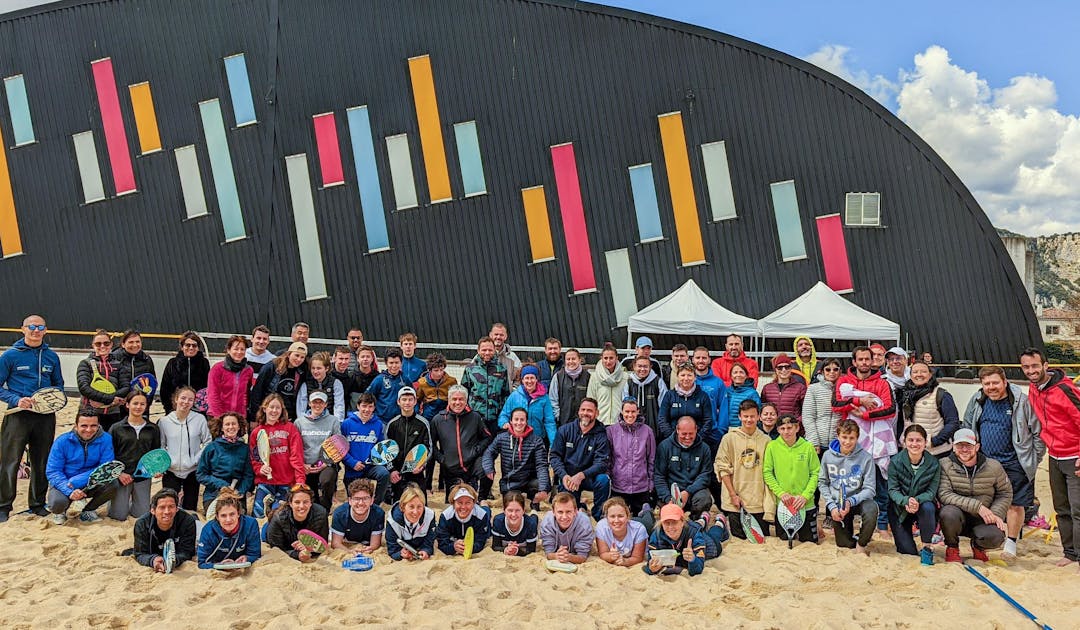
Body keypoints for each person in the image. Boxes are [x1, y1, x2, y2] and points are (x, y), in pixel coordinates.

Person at [963, 365, 1045, 560]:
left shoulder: (1021, 401)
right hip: (986, 462)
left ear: (1004, 382)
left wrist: (1033, 458)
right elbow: (968, 425)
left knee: (1015, 504)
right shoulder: (977, 400)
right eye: (987, 383)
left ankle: (1012, 542)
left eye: (995, 383)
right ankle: (988, 537)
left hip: (1015, 461)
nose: (991, 387)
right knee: (989, 501)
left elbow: (1038, 432)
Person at [1019, 347, 1080, 569]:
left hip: (1074, 455)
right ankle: (1070, 553)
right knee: (1061, 508)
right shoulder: (1034, 388)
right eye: (1026, 367)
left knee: (1078, 509)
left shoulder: (1064, 389)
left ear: (1046, 365)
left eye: (1035, 366)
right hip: (1054, 456)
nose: (1031, 370)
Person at [0, 315, 65, 521]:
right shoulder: (10, 356)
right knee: (10, 461)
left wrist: (50, 401)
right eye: (32, 327)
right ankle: (3, 506)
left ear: (45, 330)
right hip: (18, 416)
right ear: (23, 329)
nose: (36, 331)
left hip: (44, 417)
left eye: (40, 327)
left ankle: (37, 503)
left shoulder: (52, 357)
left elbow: (59, 386)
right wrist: (17, 399)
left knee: (42, 461)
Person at [832, 345, 895, 538]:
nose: (865, 363)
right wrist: (859, 402)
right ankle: (849, 521)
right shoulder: (843, 381)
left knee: (879, 485)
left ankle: (882, 524)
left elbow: (890, 409)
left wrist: (867, 414)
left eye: (868, 359)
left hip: (878, 443)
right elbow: (836, 404)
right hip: (852, 440)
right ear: (854, 362)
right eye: (861, 359)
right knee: (850, 482)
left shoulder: (883, 383)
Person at [938, 428, 1011, 563]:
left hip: (983, 518)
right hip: (958, 517)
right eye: (960, 445)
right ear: (953, 447)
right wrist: (978, 507)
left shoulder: (993, 466)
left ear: (977, 447)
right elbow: (944, 494)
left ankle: (978, 547)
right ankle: (952, 547)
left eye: (969, 445)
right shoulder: (944, 464)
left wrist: (995, 514)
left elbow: (1005, 493)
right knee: (947, 513)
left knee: (996, 536)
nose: (964, 449)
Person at [45, 411, 117, 523]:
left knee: (113, 484)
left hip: (90, 481)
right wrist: (70, 490)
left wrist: (77, 481)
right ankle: (60, 512)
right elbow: (53, 471)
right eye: (84, 425)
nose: (88, 430)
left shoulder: (106, 439)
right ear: (75, 425)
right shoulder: (62, 441)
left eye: (93, 425)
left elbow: (105, 467)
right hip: (66, 481)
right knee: (56, 504)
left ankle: (88, 510)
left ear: (98, 425)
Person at [716, 399, 774, 539]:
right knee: (739, 536)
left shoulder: (766, 440)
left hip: (757, 502)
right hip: (736, 502)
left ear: (758, 417)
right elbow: (722, 468)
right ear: (739, 416)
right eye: (746, 416)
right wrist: (732, 495)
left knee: (760, 537)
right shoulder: (729, 439)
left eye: (752, 416)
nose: (749, 419)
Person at [818, 420, 878, 553]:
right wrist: (831, 506)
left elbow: (870, 489)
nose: (847, 442)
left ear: (857, 438)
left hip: (858, 500)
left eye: (852, 438)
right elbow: (822, 483)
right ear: (838, 436)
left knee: (872, 509)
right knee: (844, 544)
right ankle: (854, 537)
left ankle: (862, 543)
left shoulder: (866, 458)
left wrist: (851, 501)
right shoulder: (827, 456)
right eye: (844, 437)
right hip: (838, 504)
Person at [887, 424, 941, 564]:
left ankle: (927, 548)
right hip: (900, 509)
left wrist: (916, 500)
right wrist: (906, 501)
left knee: (929, 507)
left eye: (919, 440)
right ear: (904, 442)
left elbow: (931, 492)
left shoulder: (934, 463)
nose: (914, 444)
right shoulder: (895, 461)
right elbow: (893, 490)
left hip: (922, 506)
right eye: (911, 440)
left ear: (925, 442)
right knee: (907, 551)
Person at [549, 398, 611, 520]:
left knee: (604, 480)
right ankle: (577, 509)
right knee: (567, 491)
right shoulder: (565, 430)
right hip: (569, 477)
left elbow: (602, 462)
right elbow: (554, 456)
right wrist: (564, 475)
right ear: (578, 412)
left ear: (597, 413)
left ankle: (598, 515)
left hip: (589, 477)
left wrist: (582, 475)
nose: (585, 413)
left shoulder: (601, 434)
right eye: (583, 410)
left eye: (589, 411)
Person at [763, 414, 820, 544]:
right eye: (782, 428)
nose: (786, 431)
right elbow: (767, 473)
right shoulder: (772, 447)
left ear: (797, 428)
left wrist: (805, 496)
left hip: (806, 504)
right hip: (784, 505)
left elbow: (816, 473)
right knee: (785, 541)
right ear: (777, 430)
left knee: (810, 543)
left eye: (790, 427)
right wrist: (781, 493)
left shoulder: (807, 447)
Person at [250, 394, 306, 518]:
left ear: (282, 410)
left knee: (279, 515)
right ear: (265, 409)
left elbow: (296, 456)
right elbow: (255, 459)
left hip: (286, 481)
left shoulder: (290, 429)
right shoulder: (256, 432)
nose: (274, 411)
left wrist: (300, 480)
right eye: (271, 407)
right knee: (259, 514)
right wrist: (260, 469)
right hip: (265, 481)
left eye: (278, 408)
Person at [108, 391, 161, 521]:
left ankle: (133, 502)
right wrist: (119, 473)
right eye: (135, 403)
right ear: (127, 405)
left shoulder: (153, 428)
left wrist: (156, 469)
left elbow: (155, 453)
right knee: (118, 515)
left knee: (141, 514)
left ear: (146, 406)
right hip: (122, 476)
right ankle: (118, 501)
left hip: (142, 476)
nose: (138, 407)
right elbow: (109, 455)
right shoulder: (116, 428)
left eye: (142, 404)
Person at [483, 408, 550, 507]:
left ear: (526, 421)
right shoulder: (501, 438)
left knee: (539, 485)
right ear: (511, 421)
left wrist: (543, 488)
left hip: (529, 480)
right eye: (516, 419)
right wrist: (489, 468)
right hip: (510, 483)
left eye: (522, 420)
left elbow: (542, 465)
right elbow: (489, 452)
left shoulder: (536, 441)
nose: (519, 423)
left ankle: (534, 501)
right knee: (514, 504)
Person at [432, 386, 489, 501]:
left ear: (466, 400)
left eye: (461, 399)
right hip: (450, 468)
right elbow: (431, 444)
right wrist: (442, 459)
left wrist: (477, 450)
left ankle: (483, 497)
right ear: (449, 400)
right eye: (454, 399)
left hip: (471, 466)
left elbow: (487, 437)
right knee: (452, 502)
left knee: (471, 500)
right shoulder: (438, 419)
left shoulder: (475, 417)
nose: (457, 402)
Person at [159, 386, 211, 511]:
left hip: (192, 471)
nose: (186, 402)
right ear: (176, 399)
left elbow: (208, 442)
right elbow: (161, 445)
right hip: (171, 470)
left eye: (190, 400)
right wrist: (167, 462)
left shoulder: (199, 419)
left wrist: (196, 459)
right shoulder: (164, 421)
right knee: (170, 506)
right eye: (183, 398)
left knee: (190, 508)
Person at [654, 416, 713, 519]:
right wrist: (668, 498)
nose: (687, 437)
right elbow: (659, 476)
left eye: (691, 434)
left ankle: (696, 524)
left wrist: (688, 492)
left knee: (705, 499)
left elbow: (705, 476)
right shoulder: (664, 446)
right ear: (677, 430)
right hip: (671, 492)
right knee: (667, 511)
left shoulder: (704, 448)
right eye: (684, 434)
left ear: (696, 430)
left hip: (693, 491)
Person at [606, 399, 655, 516]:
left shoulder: (647, 431)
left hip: (641, 487)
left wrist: (650, 482)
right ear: (622, 411)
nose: (630, 415)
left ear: (638, 411)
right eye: (627, 411)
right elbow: (608, 458)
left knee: (643, 521)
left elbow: (651, 458)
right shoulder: (611, 431)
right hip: (618, 486)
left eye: (633, 411)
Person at [197, 412, 255, 511]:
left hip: (236, 494)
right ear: (222, 428)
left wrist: (240, 491)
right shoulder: (211, 448)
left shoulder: (245, 449)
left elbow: (248, 475)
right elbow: (201, 474)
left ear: (239, 426)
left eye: (234, 424)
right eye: (227, 424)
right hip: (214, 494)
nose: (231, 427)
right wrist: (221, 485)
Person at [901, 361, 960, 457]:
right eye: (915, 372)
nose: (919, 375)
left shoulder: (942, 395)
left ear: (930, 374)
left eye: (923, 371)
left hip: (936, 452)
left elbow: (953, 422)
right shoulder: (905, 394)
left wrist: (934, 441)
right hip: (912, 451)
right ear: (910, 375)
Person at [340, 393, 390, 505]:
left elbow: (381, 447)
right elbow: (340, 449)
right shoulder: (346, 424)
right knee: (354, 501)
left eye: (370, 406)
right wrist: (352, 462)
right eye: (364, 406)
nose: (367, 409)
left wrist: (373, 460)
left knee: (384, 474)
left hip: (371, 467)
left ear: (374, 408)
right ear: (358, 406)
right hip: (352, 468)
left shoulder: (378, 425)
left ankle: (375, 504)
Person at [295, 390, 341, 511]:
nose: (317, 405)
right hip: (306, 465)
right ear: (309, 403)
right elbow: (295, 447)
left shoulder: (333, 421)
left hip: (325, 465)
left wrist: (326, 463)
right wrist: (302, 465)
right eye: (315, 402)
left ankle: (326, 508)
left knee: (327, 480)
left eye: (321, 402)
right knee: (309, 494)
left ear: (326, 404)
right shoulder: (299, 422)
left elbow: (338, 446)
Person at [132, 488, 197, 572]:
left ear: (177, 508)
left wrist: (171, 561)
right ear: (153, 510)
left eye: (171, 506)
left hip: (191, 531)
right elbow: (140, 554)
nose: (167, 511)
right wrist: (153, 560)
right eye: (162, 507)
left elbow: (187, 552)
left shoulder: (187, 521)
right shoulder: (142, 524)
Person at [196, 487, 262, 569]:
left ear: (238, 513)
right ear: (217, 517)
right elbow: (202, 562)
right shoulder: (208, 530)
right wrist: (219, 565)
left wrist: (247, 558)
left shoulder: (250, 524)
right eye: (223, 515)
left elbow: (255, 554)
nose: (228, 520)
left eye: (232, 514)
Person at [387, 386, 434, 499]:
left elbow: (429, 448)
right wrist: (392, 470)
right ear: (398, 402)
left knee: (420, 504)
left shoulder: (423, 423)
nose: (407, 402)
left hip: (416, 471)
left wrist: (421, 465)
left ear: (415, 401)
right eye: (404, 399)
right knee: (397, 506)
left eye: (410, 399)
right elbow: (386, 451)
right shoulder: (392, 424)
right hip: (397, 473)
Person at [460, 336, 511, 436]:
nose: (487, 353)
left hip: (495, 419)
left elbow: (506, 394)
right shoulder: (470, 369)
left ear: (494, 350)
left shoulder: (501, 369)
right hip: (475, 419)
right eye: (484, 350)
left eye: (490, 350)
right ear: (478, 350)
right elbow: (464, 392)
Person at [266, 484, 330, 563]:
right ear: (290, 503)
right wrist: (297, 554)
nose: (301, 506)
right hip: (275, 530)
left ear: (311, 503)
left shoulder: (321, 514)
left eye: (305, 502)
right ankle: (269, 508)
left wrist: (307, 547)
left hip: (300, 543)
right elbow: (276, 550)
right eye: (297, 502)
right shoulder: (278, 519)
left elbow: (323, 545)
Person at [76, 329, 124, 432]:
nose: (102, 346)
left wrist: (109, 401)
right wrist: (110, 399)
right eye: (98, 344)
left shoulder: (119, 364)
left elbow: (125, 386)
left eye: (106, 343)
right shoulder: (85, 363)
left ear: (111, 345)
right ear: (93, 345)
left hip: (113, 412)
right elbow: (84, 388)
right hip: (90, 412)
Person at [659, 365, 717, 450]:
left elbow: (708, 420)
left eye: (689, 375)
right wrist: (673, 439)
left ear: (695, 377)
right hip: (673, 442)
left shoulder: (703, 396)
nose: (686, 378)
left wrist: (697, 439)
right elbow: (662, 419)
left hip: (697, 442)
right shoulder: (669, 395)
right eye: (682, 375)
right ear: (678, 377)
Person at [498, 364, 556, 446]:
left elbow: (549, 421)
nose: (529, 381)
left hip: (537, 439)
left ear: (537, 379)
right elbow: (504, 415)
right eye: (527, 378)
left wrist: (553, 443)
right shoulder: (514, 396)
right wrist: (504, 423)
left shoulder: (544, 398)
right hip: (518, 438)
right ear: (522, 380)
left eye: (532, 378)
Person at [248, 342, 308, 421]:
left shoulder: (301, 372)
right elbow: (257, 392)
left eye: (302, 357)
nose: (299, 359)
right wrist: (254, 418)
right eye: (296, 355)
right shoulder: (272, 367)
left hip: (288, 417)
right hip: (269, 415)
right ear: (289, 354)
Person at [643, 503, 707, 576]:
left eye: (674, 522)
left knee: (715, 548)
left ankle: (717, 523)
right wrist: (652, 569)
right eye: (666, 523)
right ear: (661, 524)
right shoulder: (656, 535)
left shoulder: (694, 533)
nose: (670, 527)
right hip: (679, 561)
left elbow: (698, 570)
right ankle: (702, 520)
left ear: (682, 522)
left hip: (705, 541)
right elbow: (649, 565)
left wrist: (692, 559)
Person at [160, 332, 211, 415]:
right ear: (182, 347)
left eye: (194, 345)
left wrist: (203, 407)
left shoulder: (204, 363)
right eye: (187, 345)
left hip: (198, 411)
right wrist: (169, 408)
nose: (191, 348)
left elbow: (207, 387)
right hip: (175, 409)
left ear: (198, 348)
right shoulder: (172, 363)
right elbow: (165, 389)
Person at [330, 479, 385, 554]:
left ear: (372, 500)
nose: (361, 503)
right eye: (356, 499)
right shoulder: (340, 513)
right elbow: (335, 543)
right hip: (347, 541)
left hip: (367, 542)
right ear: (350, 500)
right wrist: (349, 551)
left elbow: (375, 543)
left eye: (365, 498)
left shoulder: (378, 513)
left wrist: (370, 548)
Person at [436, 483, 492, 556]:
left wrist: (469, 548)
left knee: (486, 512)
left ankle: (484, 504)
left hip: (481, 513)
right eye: (459, 502)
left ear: (474, 503)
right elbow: (442, 544)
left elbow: (480, 543)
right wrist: (453, 547)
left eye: (468, 502)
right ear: (453, 503)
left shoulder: (481, 516)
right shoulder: (445, 516)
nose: (463, 507)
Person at [385, 483, 437, 561]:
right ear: (403, 507)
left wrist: (426, 551)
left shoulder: (430, 516)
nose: (415, 512)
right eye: (411, 507)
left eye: (419, 507)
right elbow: (392, 551)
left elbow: (429, 543)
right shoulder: (392, 521)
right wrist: (400, 554)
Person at [802, 358, 843, 454]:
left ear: (840, 371)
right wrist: (814, 441)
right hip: (818, 442)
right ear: (822, 372)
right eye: (828, 369)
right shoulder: (813, 389)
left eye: (835, 369)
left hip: (839, 443)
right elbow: (808, 416)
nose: (832, 372)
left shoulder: (844, 388)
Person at [623, 355, 669, 441]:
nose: (642, 369)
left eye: (645, 366)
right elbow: (625, 407)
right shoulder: (629, 383)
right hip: (634, 431)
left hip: (655, 430)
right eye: (639, 366)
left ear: (650, 367)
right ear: (634, 366)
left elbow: (664, 407)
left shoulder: (658, 382)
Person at [540, 492, 594, 564]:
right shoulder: (547, 523)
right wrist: (556, 556)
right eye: (560, 512)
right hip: (560, 552)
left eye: (568, 511)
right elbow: (548, 552)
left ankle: (583, 510)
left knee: (584, 516)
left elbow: (582, 556)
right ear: (553, 512)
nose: (564, 517)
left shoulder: (584, 525)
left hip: (581, 522)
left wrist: (568, 557)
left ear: (575, 511)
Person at [207, 335, 253, 418]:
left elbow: (246, 393)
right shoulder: (217, 369)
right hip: (218, 416)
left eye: (242, 349)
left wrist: (243, 414)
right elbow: (213, 394)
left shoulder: (248, 370)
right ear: (228, 350)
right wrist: (220, 417)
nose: (239, 352)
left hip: (239, 417)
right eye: (236, 349)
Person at [595, 496, 648, 567]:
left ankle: (646, 511)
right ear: (606, 518)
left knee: (649, 520)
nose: (616, 520)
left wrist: (625, 561)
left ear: (628, 516)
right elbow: (603, 553)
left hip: (643, 525)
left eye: (620, 516)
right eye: (612, 516)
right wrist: (610, 556)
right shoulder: (601, 527)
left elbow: (638, 558)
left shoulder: (639, 529)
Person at [691, 347, 728, 448]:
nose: (701, 361)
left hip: (713, 432)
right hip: (691, 432)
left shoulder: (718, 382)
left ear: (709, 360)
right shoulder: (688, 380)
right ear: (692, 360)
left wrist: (721, 429)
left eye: (704, 358)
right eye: (698, 358)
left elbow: (724, 407)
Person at [111, 329, 156, 409]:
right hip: (118, 407)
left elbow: (152, 383)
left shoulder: (146, 359)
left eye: (137, 342)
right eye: (131, 342)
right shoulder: (114, 358)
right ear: (123, 344)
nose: (135, 345)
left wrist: (146, 403)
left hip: (139, 407)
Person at [587, 344, 629, 426]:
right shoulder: (595, 377)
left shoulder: (625, 377)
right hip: (600, 422)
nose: (608, 361)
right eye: (605, 358)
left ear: (616, 358)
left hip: (619, 423)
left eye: (611, 358)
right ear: (601, 358)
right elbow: (590, 400)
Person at [297, 351, 346, 421]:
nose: (315, 371)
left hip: (329, 421)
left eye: (319, 368)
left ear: (326, 368)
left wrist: (337, 422)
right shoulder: (305, 384)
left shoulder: (336, 383)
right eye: (313, 368)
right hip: (310, 421)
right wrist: (304, 422)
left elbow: (339, 406)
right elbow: (301, 408)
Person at [549, 348, 590, 427]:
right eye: (568, 359)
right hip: (563, 422)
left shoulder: (588, 377)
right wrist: (558, 416)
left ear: (579, 360)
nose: (571, 362)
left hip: (583, 423)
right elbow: (553, 399)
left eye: (573, 359)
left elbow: (591, 398)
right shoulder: (558, 377)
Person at [367, 349, 410, 420]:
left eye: (396, 362)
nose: (394, 366)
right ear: (386, 363)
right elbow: (368, 397)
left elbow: (413, 398)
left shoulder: (405, 380)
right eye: (391, 363)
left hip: (400, 420)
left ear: (401, 363)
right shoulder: (379, 379)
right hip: (382, 420)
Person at [761, 353, 806, 423]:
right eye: (780, 367)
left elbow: (806, 411)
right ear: (775, 370)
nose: (784, 370)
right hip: (773, 428)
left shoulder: (800, 388)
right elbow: (763, 409)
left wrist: (795, 423)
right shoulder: (767, 388)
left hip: (792, 429)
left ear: (791, 368)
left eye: (787, 367)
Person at [491, 491, 538, 556]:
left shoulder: (531, 524)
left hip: (529, 521)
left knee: (534, 519)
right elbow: (495, 546)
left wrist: (517, 551)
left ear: (523, 510)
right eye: (510, 510)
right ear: (504, 510)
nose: (513, 514)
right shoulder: (498, 521)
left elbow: (531, 550)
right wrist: (506, 550)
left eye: (517, 510)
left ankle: (534, 512)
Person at [415, 353, 457, 420]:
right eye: (436, 370)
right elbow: (417, 399)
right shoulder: (422, 382)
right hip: (428, 414)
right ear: (430, 370)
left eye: (441, 370)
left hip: (445, 414)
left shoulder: (452, 381)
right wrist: (417, 413)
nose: (439, 373)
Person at [722, 363, 760, 433]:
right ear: (731, 376)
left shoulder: (752, 393)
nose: (738, 375)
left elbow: (757, 413)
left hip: (744, 430)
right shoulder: (726, 391)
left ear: (746, 376)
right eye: (735, 372)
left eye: (741, 372)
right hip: (725, 429)